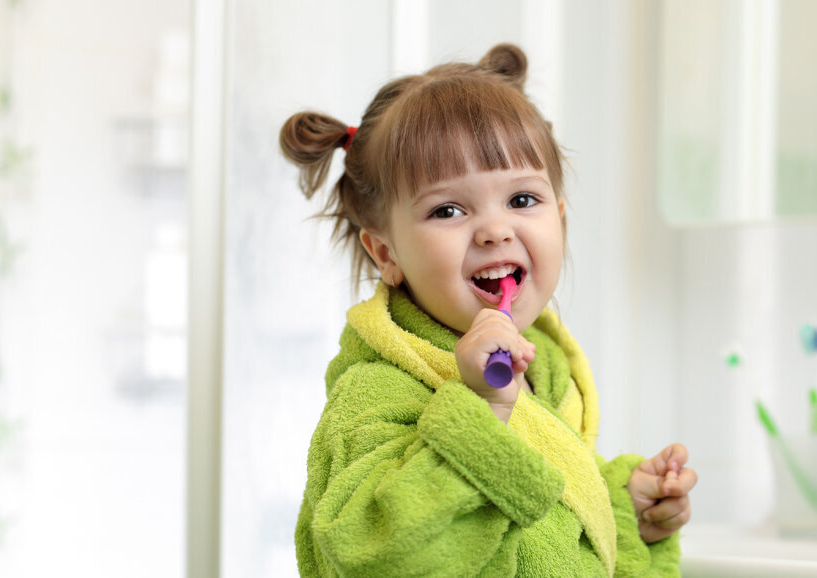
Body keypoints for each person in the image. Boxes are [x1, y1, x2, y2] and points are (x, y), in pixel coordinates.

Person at [280, 43, 697, 577]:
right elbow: (374, 554)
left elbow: (551, 524)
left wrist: (625, 505)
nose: (495, 229)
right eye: (448, 209)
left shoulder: (541, 364)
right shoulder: (377, 390)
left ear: (560, 219)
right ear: (386, 254)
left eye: (522, 200)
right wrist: (480, 413)